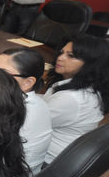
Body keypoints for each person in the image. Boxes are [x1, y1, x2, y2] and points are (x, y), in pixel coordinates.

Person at [42, 35, 109, 164]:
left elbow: (27, 122)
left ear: (91, 64)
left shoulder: (71, 98)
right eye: (61, 52)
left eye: (71, 56)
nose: (60, 58)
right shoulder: (91, 87)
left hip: (47, 162)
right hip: (62, 156)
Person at [0, 48, 52, 174]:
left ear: (28, 82)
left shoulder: (13, 110)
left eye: (1, 74)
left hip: (5, 176)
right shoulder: (38, 102)